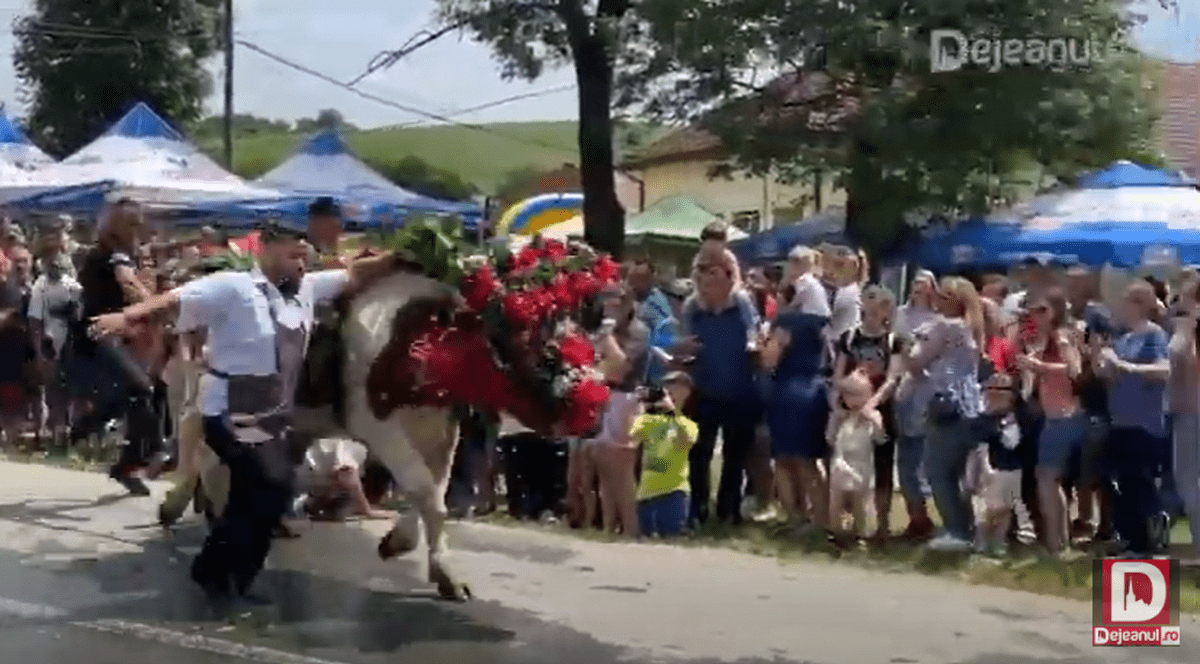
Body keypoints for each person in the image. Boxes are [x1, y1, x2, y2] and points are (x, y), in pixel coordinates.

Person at [89, 222, 406, 607]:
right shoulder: (233, 287)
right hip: (227, 408)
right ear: (267, 248)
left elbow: (355, 274)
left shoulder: (306, 289)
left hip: (270, 415)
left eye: (304, 255)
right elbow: (173, 300)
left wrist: (401, 258)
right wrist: (128, 316)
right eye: (293, 253)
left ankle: (218, 572)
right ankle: (224, 574)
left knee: (253, 494)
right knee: (272, 485)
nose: (302, 261)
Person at [71, 198, 167, 495]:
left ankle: (125, 463)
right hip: (97, 336)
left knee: (144, 393)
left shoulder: (128, 255)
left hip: (121, 335)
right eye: (131, 223)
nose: (137, 229)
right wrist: (154, 302)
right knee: (140, 390)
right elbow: (127, 284)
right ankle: (154, 450)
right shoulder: (111, 255)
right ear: (113, 225)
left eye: (139, 223)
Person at [677, 251, 760, 526]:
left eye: (712, 275)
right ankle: (698, 510)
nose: (705, 281)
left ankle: (729, 510)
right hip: (704, 390)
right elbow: (684, 344)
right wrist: (684, 350)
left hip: (740, 391)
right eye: (701, 276)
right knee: (699, 453)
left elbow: (755, 338)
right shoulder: (693, 308)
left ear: (728, 275)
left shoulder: (742, 304)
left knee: (734, 456)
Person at [909, 276, 985, 552]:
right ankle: (967, 529)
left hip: (946, 405)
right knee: (959, 473)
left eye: (942, 295)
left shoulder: (946, 326)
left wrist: (909, 348)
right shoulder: (973, 327)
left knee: (937, 471)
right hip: (970, 405)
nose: (937, 299)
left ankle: (957, 531)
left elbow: (919, 360)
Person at [1096, 280, 1171, 556]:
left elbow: (1164, 370)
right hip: (1120, 420)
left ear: (1140, 304)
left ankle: (1148, 542)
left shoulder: (1155, 335)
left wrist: (1125, 366)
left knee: (1140, 484)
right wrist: (1100, 358)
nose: (1121, 308)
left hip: (1145, 423)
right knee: (1119, 482)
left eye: (1126, 302)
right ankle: (1128, 538)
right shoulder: (1124, 338)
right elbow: (1110, 376)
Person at [762, 249, 830, 534]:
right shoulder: (820, 323)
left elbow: (770, 359)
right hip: (815, 388)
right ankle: (821, 519)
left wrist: (761, 343)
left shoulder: (786, 323)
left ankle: (796, 517)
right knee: (811, 460)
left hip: (788, 389)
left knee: (786, 459)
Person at [1017, 288, 1084, 554]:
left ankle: (1058, 542)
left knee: (1047, 478)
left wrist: (1040, 367)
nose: (1036, 316)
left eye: (1043, 310)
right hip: (1055, 417)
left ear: (1057, 311)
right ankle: (1058, 541)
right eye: (1034, 311)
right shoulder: (1045, 340)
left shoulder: (1062, 337)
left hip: (1065, 418)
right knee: (1048, 479)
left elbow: (1074, 369)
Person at [833, 285, 902, 539]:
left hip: (879, 410)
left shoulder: (894, 340)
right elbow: (838, 375)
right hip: (849, 408)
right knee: (846, 465)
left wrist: (871, 404)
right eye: (869, 302)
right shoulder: (849, 338)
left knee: (881, 468)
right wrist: (837, 406)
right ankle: (848, 521)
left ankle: (881, 525)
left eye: (881, 304)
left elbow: (893, 378)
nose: (874, 309)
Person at [28, 236, 82, 440]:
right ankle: (55, 431)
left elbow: (79, 313)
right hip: (50, 342)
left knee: (71, 388)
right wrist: (39, 352)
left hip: (71, 341)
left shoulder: (72, 285)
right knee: (53, 390)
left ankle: (70, 431)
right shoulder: (40, 286)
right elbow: (35, 321)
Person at [632, 372, 699, 537]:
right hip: (646, 492)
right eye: (666, 388)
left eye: (674, 388)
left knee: (670, 542)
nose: (668, 393)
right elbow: (630, 437)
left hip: (674, 491)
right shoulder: (649, 420)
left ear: (687, 393)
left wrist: (672, 413)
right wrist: (640, 405)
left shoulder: (688, 424)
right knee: (646, 545)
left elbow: (685, 442)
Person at [825, 370, 886, 545]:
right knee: (836, 498)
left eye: (859, 396)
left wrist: (873, 421)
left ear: (869, 396)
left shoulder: (873, 416)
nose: (854, 401)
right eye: (849, 396)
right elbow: (830, 438)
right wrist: (835, 420)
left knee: (863, 500)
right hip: (841, 461)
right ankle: (837, 531)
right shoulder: (841, 417)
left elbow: (880, 438)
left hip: (862, 465)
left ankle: (863, 534)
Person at [976, 372, 1026, 556]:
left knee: (1005, 511)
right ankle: (981, 542)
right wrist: (985, 468)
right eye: (991, 388)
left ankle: (998, 542)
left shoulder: (1018, 417)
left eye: (1002, 389)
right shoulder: (985, 419)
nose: (995, 393)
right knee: (988, 510)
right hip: (992, 470)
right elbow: (981, 448)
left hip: (1012, 471)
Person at [1169, 275, 1200, 560]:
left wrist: (1187, 323)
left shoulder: (1188, 326)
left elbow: (1179, 354)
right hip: (1188, 411)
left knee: (1189, 483)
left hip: (1193, 413)